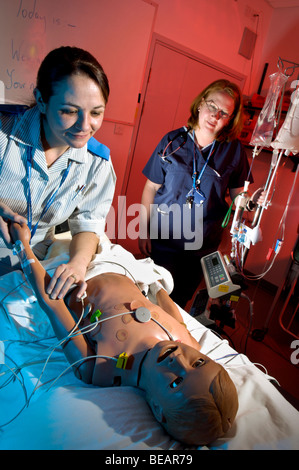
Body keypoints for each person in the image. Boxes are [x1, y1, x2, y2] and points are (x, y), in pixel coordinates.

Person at [8, 221, 238, 446]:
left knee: (50, 230)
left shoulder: (99, 367)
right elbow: (170, 310)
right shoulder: (190, 343)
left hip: (71, 270)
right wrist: (156, 284)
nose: (179, 360)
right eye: (198, 363)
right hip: (118, 261)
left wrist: (23, 246)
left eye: (176, 382)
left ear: (157, 409)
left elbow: (53, 303)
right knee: (86, 222)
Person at [0, 46, 116, 301]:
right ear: (41, 100)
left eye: (96, 113)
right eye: (69, 111)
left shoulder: (97, 164)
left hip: (34, 261)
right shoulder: (3, 132)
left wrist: (77, 264)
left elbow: (88, 225)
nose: (85, 126)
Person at [139, 79, 264, 308]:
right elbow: (150, 187)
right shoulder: (172, 142)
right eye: (212, 106)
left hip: (201, 247)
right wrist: (143, 230)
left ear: (230, 120)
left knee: (180, 302)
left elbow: (239, 197)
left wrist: (250, 203)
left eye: (224, 113)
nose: (215, 115)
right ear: (200, 104)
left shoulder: (233, 150)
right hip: (164, 239)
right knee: (153, 298)